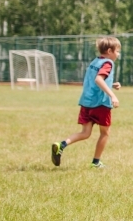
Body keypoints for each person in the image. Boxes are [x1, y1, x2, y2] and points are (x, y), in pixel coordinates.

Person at [51, 36, 121, 169]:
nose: (118, 54)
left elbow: (94, 81)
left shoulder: (95, 61)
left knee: (85, 133)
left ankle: (61, 145)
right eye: (117, 51)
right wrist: (113, 96)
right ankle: (96, 162)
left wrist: (112, 84)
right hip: (100, 104)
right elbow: (99, 80)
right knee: (105, 133)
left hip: (86, 103)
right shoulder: (108, 63)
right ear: (110, 51)